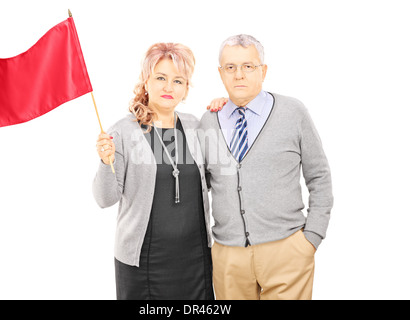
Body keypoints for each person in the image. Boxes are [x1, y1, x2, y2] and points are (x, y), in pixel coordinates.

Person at [199, 34, 334, 300]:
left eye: (248, 66)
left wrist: (311, 238)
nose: (239, 75)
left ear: (263, 71)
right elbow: (199, 186)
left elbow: (319, 176)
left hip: (287, 251)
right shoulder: (208, 121)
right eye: (230, 67)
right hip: (228, 257)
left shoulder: (293, 112)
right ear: (220, 73)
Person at [92, 43, 214, 300]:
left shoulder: (195, 126)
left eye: (178, 81)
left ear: (186, 89)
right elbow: (105, 199)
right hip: (144, 262)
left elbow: (213, 180)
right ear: (146, 81)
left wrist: (223, 109)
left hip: (195, 259)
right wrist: (106, 162)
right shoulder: (122, 131)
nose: (169, 87)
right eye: (161, 78)